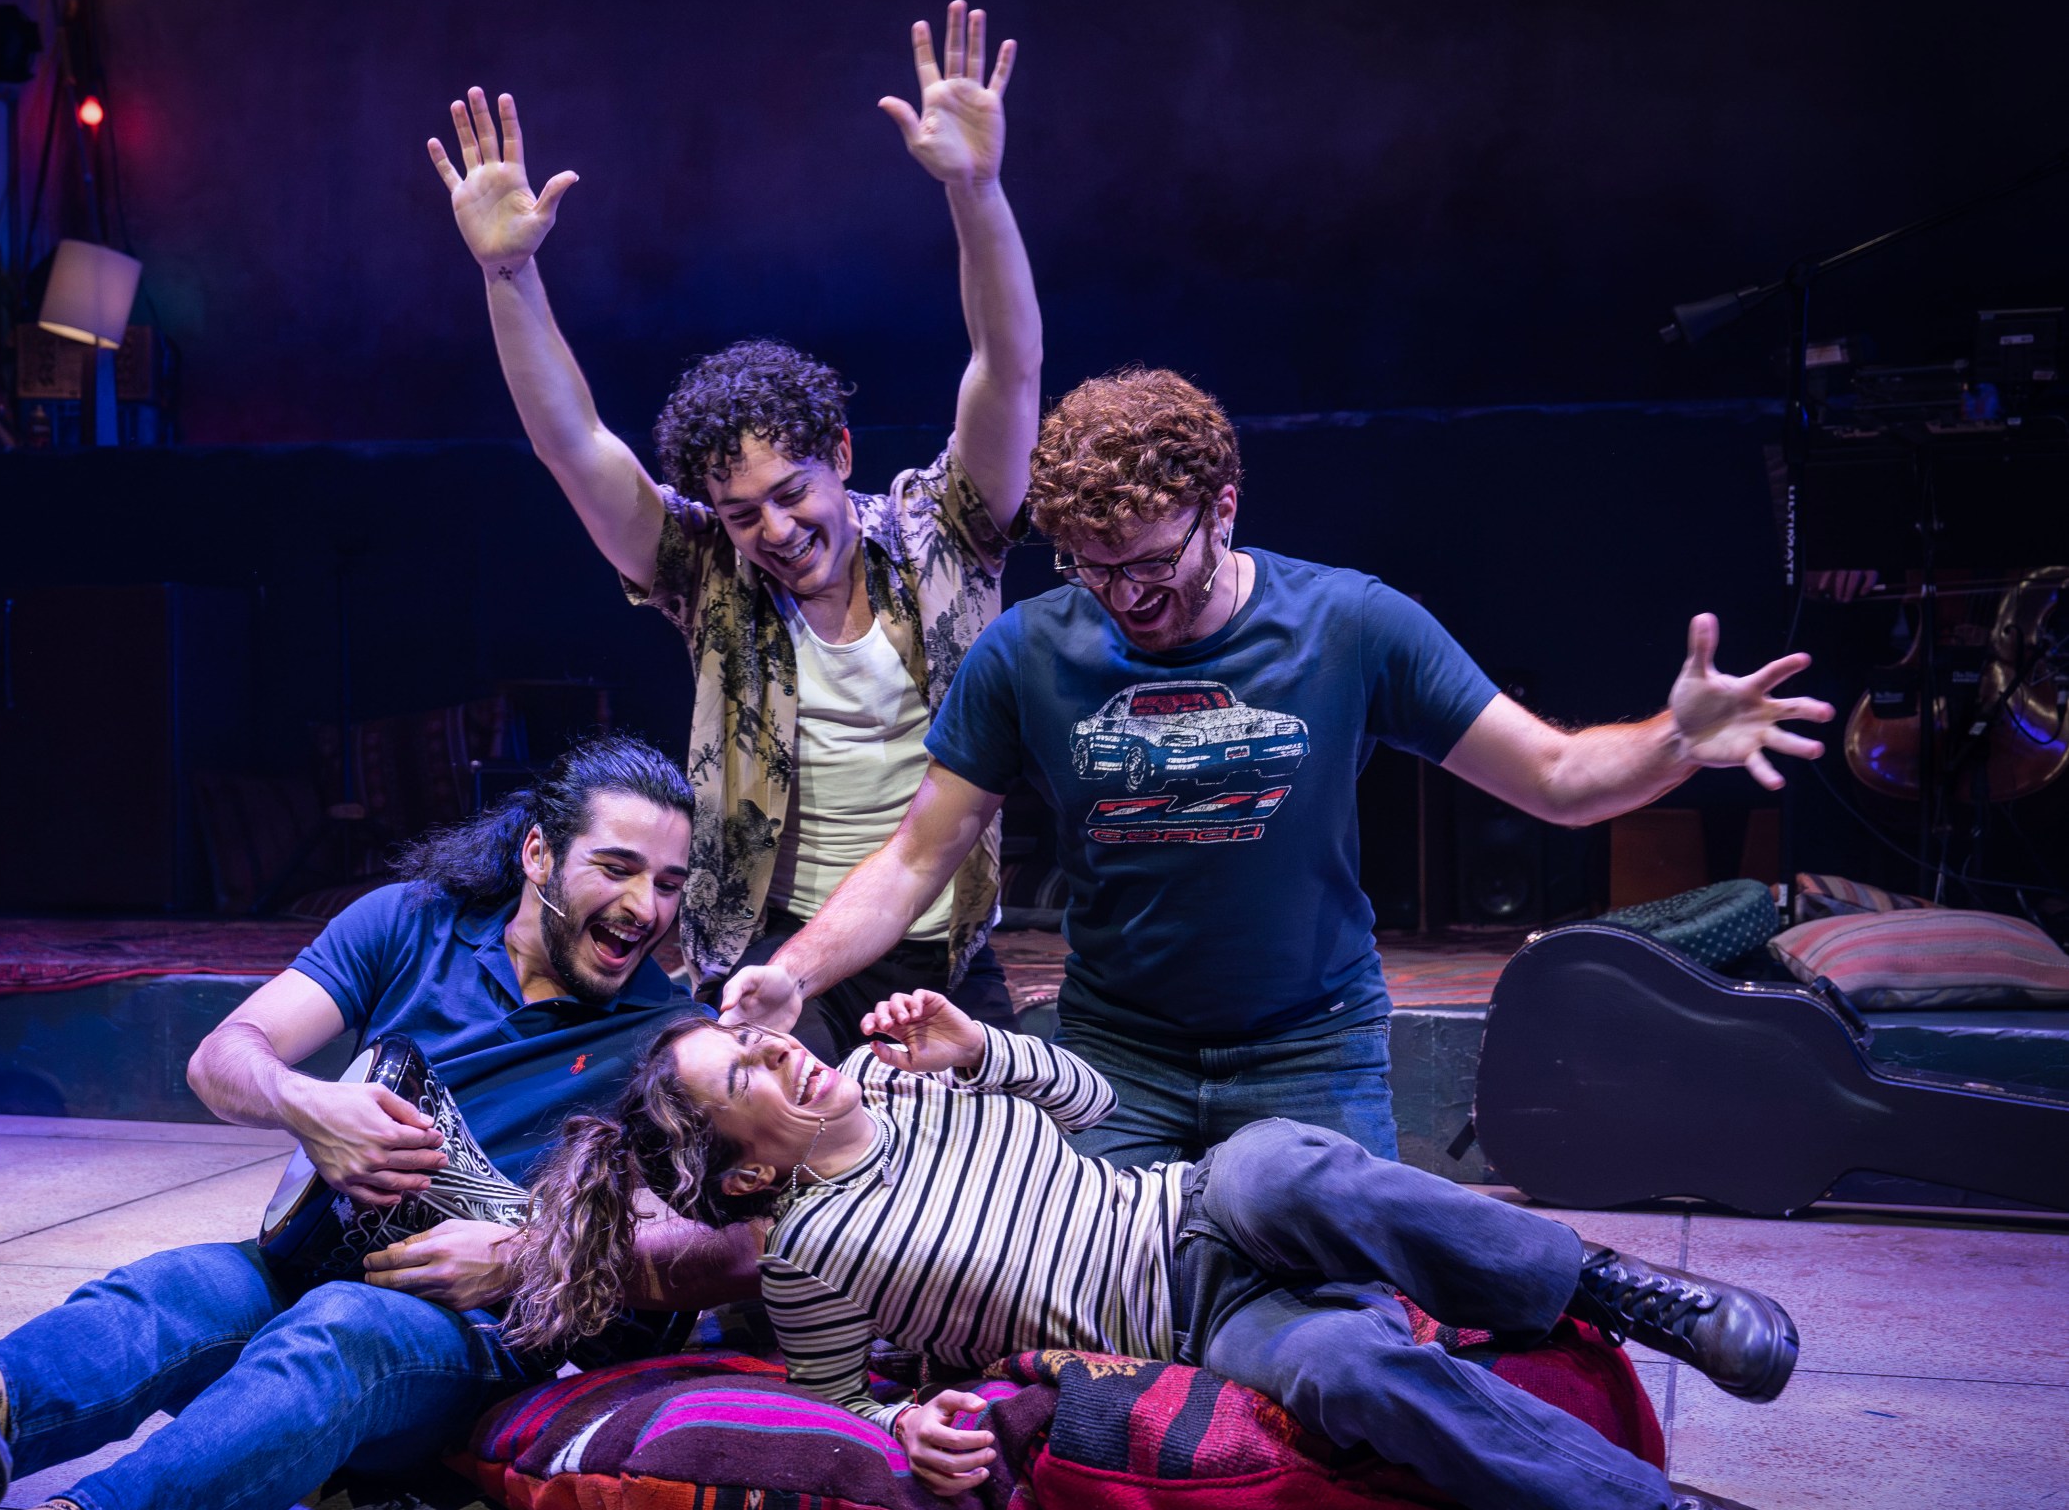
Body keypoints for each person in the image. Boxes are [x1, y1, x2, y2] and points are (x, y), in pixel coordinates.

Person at [505, 990, 1885, 1510]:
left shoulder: (899, 1069)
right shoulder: (807, 1247)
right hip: (1198, 1320)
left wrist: (986, 1048)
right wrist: (907, 1420)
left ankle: (1623, 1291)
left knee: (1271, 1156)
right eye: (744, 1069)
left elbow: (1095, 1112)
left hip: (1197, 1210)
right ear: (745, 1162)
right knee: (1350, 1371)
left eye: (755, 1032)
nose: (778, 1047)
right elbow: (842, 1398)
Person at [0, 735, 756, 1510]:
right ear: (538, 853)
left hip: (465, 1335)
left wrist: (529, 1253)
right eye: (618, 868)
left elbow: (742, 1247)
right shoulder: (412, 923)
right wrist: (309, 1104)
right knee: (183, 1288)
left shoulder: (665, 1038)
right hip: (309, 1251)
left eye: (670, 884)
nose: (646, 909)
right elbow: (226, 1055)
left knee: (340, 1328)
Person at [722, 368, 1837, 1163]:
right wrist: (799, 969)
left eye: (1153, 561)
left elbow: (1551, 777)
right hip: (1118, 1055)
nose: (1127, 594)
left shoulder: (1350, 623)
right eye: (1093, 567)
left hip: (1309, 1048)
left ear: (1225, 507)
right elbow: (918, 854)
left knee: (1337, 1305)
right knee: (1085, 1312)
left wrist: (1674, 740)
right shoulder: (1029, 649)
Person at [425, 0, 1045, 1063]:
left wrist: (975, 190)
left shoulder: (946, 527)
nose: (774, 526)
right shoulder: (705, 566)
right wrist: (507, 275)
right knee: (752, 1183)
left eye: (791, 491)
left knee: (979, 1188)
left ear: (840, 455)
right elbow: (573, 442)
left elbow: (1007, 366)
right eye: (741, 507)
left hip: (941, 944)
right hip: (763, 946)